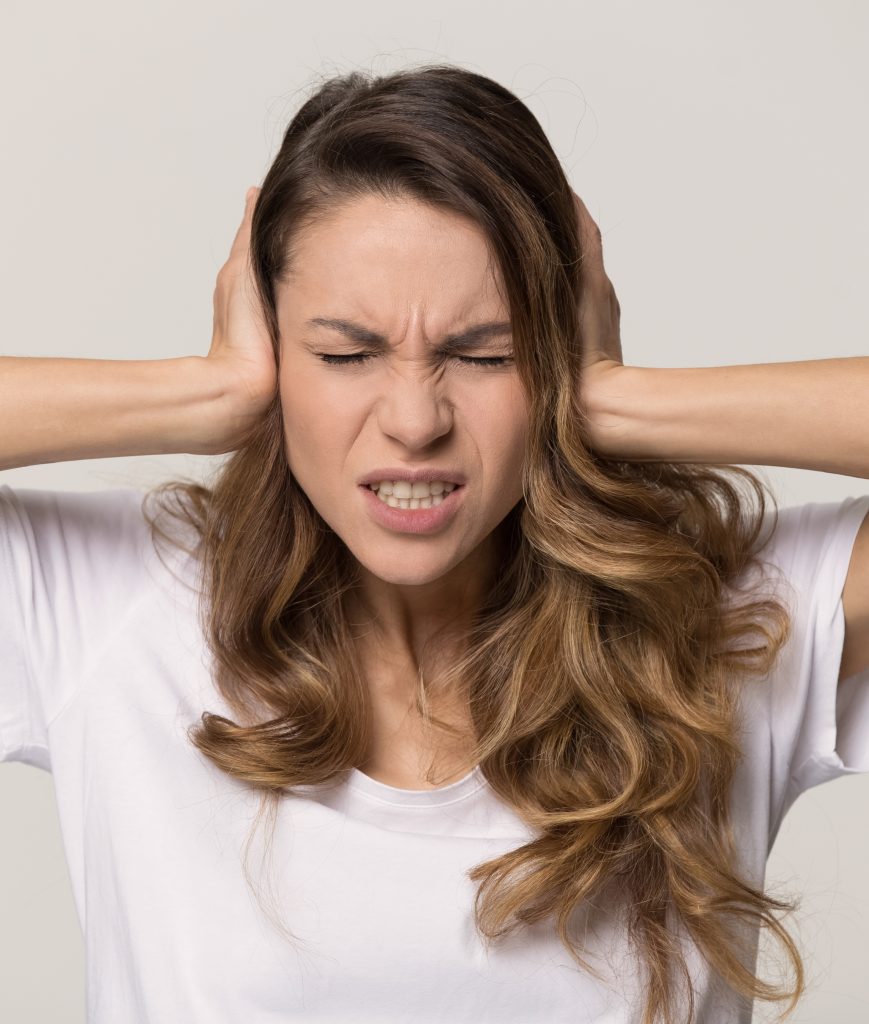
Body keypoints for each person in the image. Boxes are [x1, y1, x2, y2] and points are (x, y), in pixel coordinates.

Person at [1, 64, 867, 1024]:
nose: (414, 420)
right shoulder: (109, 610)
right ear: (272, 346)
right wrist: (209, 394)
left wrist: (614, 399)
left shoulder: (712, 628)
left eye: (486, 354)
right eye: (344, 353)